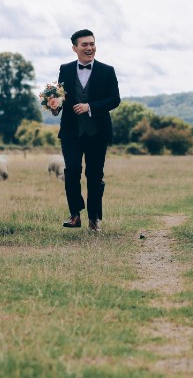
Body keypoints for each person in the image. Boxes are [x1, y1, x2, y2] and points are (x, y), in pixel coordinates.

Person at [52, 29, 121, 232]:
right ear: (75, 48)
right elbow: (60, 97)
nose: (89, 48)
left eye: (92, 44)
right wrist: (54, 106)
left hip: (97, 133)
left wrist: (90, 107)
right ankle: (75, 215)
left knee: (94, 176)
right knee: (71, 172)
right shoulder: (64, 69)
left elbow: (115, 99)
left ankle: (94, 219)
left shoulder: (107, 70)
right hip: (71, 133)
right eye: (84, 45)